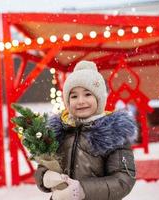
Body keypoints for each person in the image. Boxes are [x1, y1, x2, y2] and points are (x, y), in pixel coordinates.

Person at [34, 60, 137, 200]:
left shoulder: (113, 133)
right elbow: (44, 164)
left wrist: (82, 190)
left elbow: (123, 180)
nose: (80, 101)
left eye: (87, 94)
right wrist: (45, 176)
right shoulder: (59, 132)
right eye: (74, 96)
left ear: (99, 99)